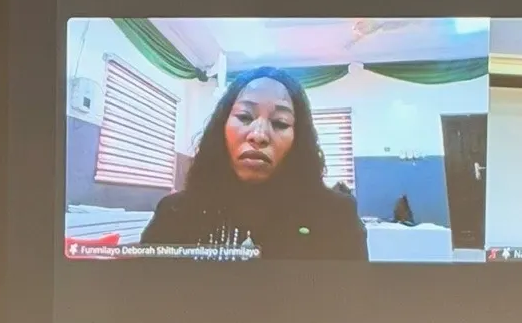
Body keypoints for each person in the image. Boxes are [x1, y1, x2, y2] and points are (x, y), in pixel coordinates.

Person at [141, 66, 367, 260]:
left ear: (299, 139)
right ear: (221, 127)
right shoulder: (175, 213)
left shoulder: (337, 217)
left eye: (280, 123)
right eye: (245, 117)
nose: (258, 135)